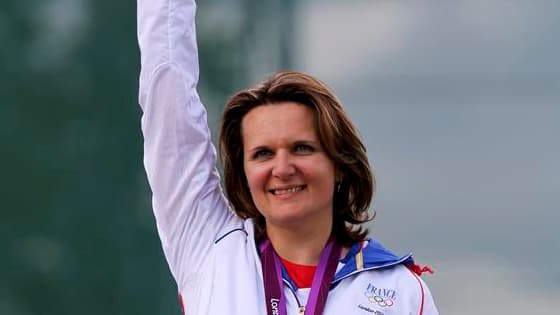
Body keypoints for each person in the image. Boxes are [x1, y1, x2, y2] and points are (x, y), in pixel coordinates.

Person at [137, 0, 439, 314]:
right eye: (263, 154)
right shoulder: (210, 249)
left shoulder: (401, 291)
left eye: (302, 148)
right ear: (243, 173)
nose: (282, 168)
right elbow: (167, 93)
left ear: (339, 163)